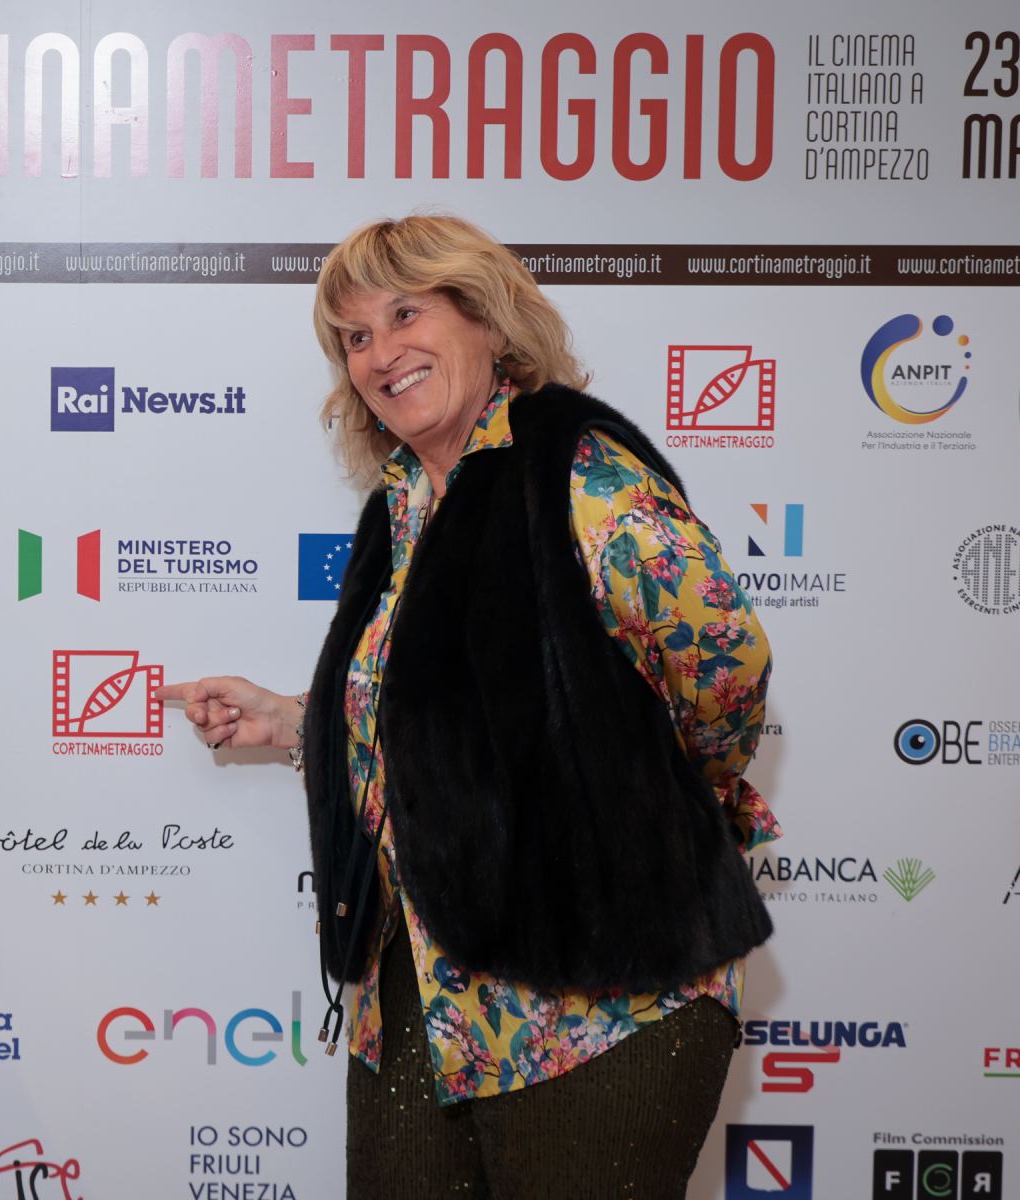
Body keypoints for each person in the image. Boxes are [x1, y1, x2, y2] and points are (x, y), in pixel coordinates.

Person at [159, 215, 777, 1199]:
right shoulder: (404, 503)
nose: (380, 354)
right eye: (355, 337)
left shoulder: (581, 478)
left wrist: (643, 799)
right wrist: (293, 719)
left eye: (406, 314)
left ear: (486, 317)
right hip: (416, 995)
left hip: (597, 1001)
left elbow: (725, 668)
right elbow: (440, 710)